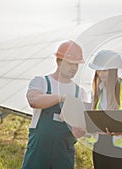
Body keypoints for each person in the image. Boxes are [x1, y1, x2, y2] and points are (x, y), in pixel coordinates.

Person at [21, 40, 88, 169]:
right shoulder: (42, 82)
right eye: (70, 64)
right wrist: (62, 98)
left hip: (64, 151)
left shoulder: (80, 93)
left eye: (76, 65)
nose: (74, 68)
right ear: (58, 61)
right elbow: (34, 100)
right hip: (39, 149)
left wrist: (79, 131)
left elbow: (82, 126)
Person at [87, 50, 122, 169]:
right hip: (100, 146)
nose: (101, 74)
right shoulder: (97, 91)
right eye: (98, 70)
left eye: (104, 70)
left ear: (113, 70)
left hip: (121, 148)